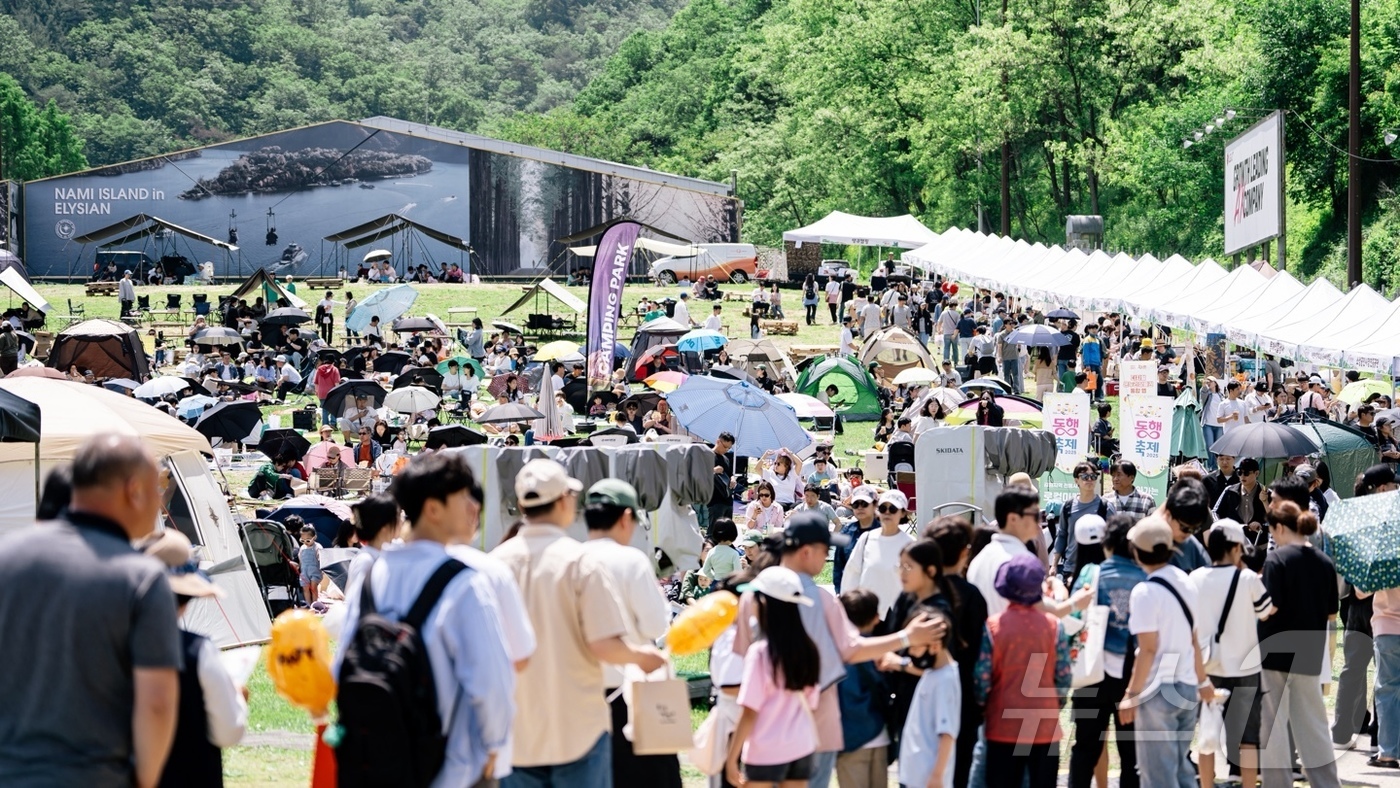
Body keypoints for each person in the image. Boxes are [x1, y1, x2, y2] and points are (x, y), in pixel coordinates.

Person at [0, 436, 180, 787]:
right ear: (133, 490)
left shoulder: (7, 555)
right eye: (158, 488)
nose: (161, 503)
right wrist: (144, 780)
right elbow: (157, 703)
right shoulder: (140, 577)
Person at [334, 452, 516, 787]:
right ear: (433, 508)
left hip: (377, 761)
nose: (472, 507)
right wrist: (496, 748)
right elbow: (492, 683)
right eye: (463, 499)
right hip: (451, 768)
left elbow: (341, 663)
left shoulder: (372, 574)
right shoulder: (466, 583)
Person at [732, 515, 944, 788]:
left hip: (762, 730)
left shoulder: (752, 596)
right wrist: (906, 637)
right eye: (825, 550)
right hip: (813, 725)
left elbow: (741, 661)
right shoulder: (822, 599)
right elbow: (851, 649)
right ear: (806, 551)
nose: (826, 558)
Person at [492, 460, 667, 786]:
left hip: (516, 728)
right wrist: (643, 657)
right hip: (578, 726)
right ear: (563, 501)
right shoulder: (580, 561)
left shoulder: (494, 563)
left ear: (521, 505)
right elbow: (603, 644)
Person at [580, 479, 680, 788]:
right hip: (629, 695)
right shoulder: (631, 560)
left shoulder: (572, 558)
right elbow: (656, 626)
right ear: (626, 518)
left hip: (579, 697)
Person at [139, 530, 248, 786]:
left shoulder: (103, 646)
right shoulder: (198, 651)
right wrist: (237, 699)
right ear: (187, 597)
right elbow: (228, 731)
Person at [1117, 515, 1213, 788]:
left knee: (1158, 775)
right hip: (1187, 687)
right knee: (1181, 769)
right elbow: (1194, 639)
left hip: (1157, 692)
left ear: (1138, 551)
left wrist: (1131, 694)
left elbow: (1148, 650)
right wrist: (1203, 680)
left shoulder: (1144, 592)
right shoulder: (1185, 580)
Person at [1254, 501, 1341, 788]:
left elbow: (1271, 607)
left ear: (1279, 527)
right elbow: (1331, 612)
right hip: (1309, 649)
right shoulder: (1324, 562)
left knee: (1274, 725)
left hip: (1274, 649)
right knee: (1314, 725)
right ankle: (1327, 783)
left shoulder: (1277, 560)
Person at [1190, 520, 1275, 788]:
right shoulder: (1248, 579)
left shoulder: (1195, 578)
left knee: (1206, 735)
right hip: (1246, 669)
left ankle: (1206, 784)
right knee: (1248, 739)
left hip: (1208, 669)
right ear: (1237, 547)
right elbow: (1266, 611)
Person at [974, 554, 1070, 788]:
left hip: (1002, 725)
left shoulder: (993, 626)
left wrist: (983, 706)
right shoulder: (1054, 626)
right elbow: (1064, 677)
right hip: (1045, 726)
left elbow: (982, 679)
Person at [1065, 514, 1145, 788]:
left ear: (1107, 543)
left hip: (1091, 674)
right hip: (1133, 677)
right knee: (1132, 755)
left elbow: (1072, 616)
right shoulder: (1146, 577)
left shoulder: (1091, 573)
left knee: (1085, 747)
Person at [725, 566, 823, 788]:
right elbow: (812, 701)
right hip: (801, 746)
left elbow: (750, 711)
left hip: (764, 749)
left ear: (766, 603)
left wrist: (732, 758)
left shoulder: (760, 653)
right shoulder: (809, 649)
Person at [897, 606, 960, 788]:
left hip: (926, 779)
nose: (910, 653)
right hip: (915, 775)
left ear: (935, 646)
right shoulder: (933, 672)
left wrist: (937, 775)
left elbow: (947, 733)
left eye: (915, 647)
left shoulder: (945, 680)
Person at [834, 589, 890, 788]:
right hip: (880, 736)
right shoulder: (882, 651)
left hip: (850, 741)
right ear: (876, 618)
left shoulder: (837, 653)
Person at [839, 490, 915, 617]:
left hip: (897, 615)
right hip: (866, 613)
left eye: (893, 509)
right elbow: (851, 575)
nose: (887, 512)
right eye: (883, 508)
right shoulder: (866, 539)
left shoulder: (911, 544)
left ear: (903, 513)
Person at [832, 486, 880, 593]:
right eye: (855, 504)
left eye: (864, 503)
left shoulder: (884, 532)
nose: (859, 508)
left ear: (875, 505)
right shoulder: (846, 532)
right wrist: (839, 592)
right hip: (851, 595)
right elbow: (838, 566)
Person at [1213, 458, 1268, 548]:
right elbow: (1215, 512)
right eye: (1239, 473)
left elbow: (1275, 520)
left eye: (1246, 473)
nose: (1242, 476)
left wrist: (1261, 525)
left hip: (1259, 545)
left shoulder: (1266, 493)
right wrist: (1223, 527)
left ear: (1256, 473)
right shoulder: (1230, 490)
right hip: (1234, 543)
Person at [702, 518, 743, 582]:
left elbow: (705, 570)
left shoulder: (711, 552)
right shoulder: (734, 553)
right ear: (733, 534)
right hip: (729, 584)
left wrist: (714, 577)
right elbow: (738, 572)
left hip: (716, 582)